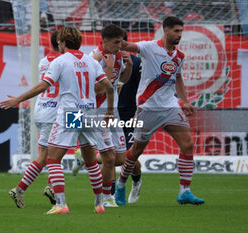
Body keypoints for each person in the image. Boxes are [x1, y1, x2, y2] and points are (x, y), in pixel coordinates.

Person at [0, 26, 114, 214]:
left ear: (62, 43)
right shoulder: (91, 61)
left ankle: (60, 204)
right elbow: (109, 87)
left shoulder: (60, 61)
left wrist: (18, 99)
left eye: (59, 42)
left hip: (71, 114)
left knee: (52, 159)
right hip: (90, 113)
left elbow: (44, 85)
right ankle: (99, 204)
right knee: (91, 161)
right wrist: (109, 112)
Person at [115, 16, 205, 206]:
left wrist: (185, 101)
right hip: (148, 107)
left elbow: (178, 79)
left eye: (181, 31)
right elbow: (127, 46)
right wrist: (112, 38)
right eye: (176, 31)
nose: (180, 35)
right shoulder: (149, 47)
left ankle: (184, 192)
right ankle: (121, 183)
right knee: (136, 151)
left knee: (187, 144)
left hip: (170, 106)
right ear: (166, 31)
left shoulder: (180, 56)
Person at [71, 24, 141, 206]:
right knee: (110, 158)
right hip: (96, 113)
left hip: (113, 111)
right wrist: (108, 68)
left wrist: (129, 65)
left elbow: (123, 80)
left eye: (122, 42)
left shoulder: (118, 55)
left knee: (119, 158)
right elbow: (98, 90)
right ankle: (106, 198)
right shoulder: (94, 59)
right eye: (117, 42)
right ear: (105, 41)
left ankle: (86, 156)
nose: (121, 46)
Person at [7, 31, 61, 208]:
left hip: (42, 109)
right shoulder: (63, 61)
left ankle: (31, 188)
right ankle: (42, 188)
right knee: (50, 155)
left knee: (48, 155)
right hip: (55, 113)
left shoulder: (44, 61)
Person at [117, 32, 143, 204]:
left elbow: (144, 88)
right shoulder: (103, 60)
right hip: (108, 113)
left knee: (128, 156)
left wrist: (138, 112)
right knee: (109, 155)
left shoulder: (137, 62)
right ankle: (109, 197)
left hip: (128, 114)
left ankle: (136, 182)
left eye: (118, 42)